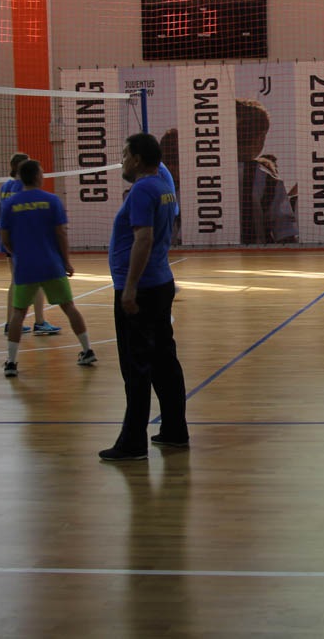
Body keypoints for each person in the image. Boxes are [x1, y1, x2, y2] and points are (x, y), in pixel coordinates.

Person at [100, 132, 187, 461]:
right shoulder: (164, 186)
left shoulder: (141, 190)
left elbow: (144, 239)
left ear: (137, 159)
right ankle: (175, 430)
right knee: (165, 360)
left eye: (125, 155)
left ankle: (133, 442)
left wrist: (130, 287)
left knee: (136, 366)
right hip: (160, 282)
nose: (122, 161)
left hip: (143, 288)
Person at [0, 159, 96, 378]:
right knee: (69, 307)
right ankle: (87, 350)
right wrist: (66, 261)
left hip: (25, 268)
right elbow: (61, 234)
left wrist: (20, 254)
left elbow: (5, 239)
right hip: (52, 265)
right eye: (42, 172)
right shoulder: (52, 200)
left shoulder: (10, 204)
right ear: (37, 176)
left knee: (18, 314)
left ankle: (11, 363)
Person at [0, 153, 59, 337]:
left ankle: (11, 323)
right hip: (23, 241)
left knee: (15, 281)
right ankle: (39, 322)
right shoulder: (22, 187)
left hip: (9, 240)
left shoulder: (5, 186)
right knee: (37, 280)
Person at [236, 98, 298, 244]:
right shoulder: (267, 181)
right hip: (258, 254)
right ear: (261, 138)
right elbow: (285, 230)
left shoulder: (205, 176)